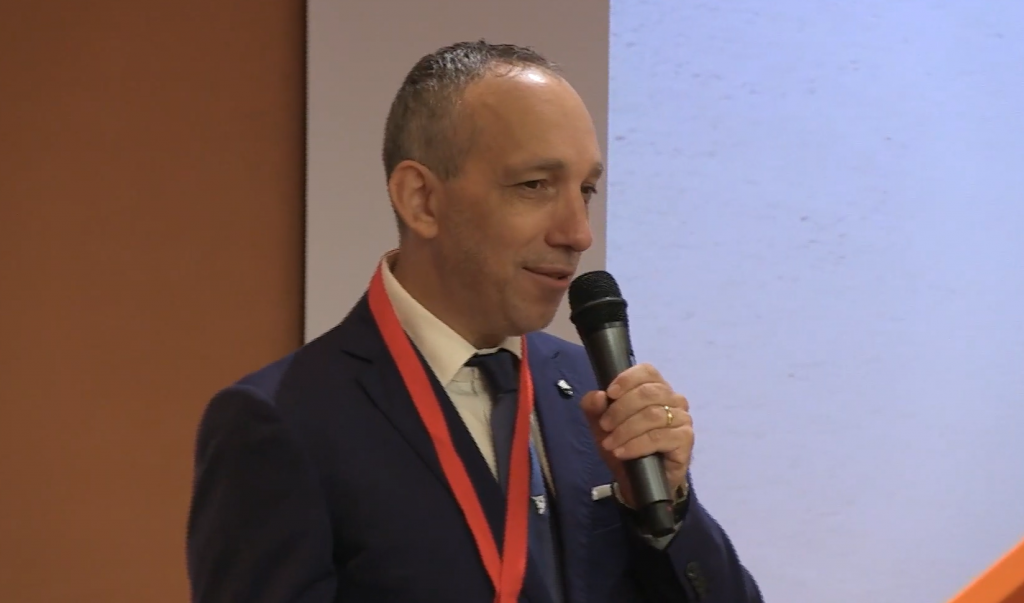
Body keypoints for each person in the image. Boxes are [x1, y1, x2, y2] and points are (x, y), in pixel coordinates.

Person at [186, 40, 762, 603]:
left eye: (585, 189)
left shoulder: (593, 389)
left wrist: (665, 508)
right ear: (421, 200)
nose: (578, 232)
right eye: (534, 185)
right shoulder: (283, 421)